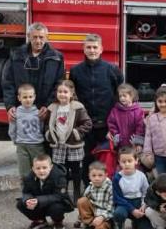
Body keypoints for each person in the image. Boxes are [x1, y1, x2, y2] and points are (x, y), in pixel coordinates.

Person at [69, 33, 123, 175]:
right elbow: (73, 96)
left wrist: (114, 123)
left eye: (95, 47)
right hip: (85, 124)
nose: (92, 50)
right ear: (84, 49)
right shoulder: (75, 71)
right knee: (87, 157)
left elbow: (119, 95)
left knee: (107, 157)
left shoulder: (112, 70)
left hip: (106, 125)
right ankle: (87, 184)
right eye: (89, 47)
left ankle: (107, 183)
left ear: (101, 49)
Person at [3, 22, 65, 122]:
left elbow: (59, 84)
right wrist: (10, 106)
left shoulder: (56, 58)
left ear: (47, 37)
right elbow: (8, 82)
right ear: (28, 37)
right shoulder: (16, 55)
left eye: (41, 37)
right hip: (21, 111)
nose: (38, 41)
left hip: (45, 112)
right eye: (35, 37)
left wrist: (48, 105)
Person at [44, 80, 92, 202]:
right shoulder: (52, 108)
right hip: (58, 145)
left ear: (71, 93)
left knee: (76, 170)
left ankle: (77, 192)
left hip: (73, 145)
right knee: (61, 171)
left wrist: (76, 133)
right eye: (60, 91)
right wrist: (49, 134)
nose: (62, 94)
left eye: (65, 92)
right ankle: (63, 194)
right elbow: (47, 124)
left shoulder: (77, 107)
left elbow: (87, 123)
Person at [15, 154, 74, 229]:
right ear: (33, 169)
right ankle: (39, 220)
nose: (41, 171)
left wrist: (38, 200)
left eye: (44, 168)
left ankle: (57, 221)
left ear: (51, 167)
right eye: (38, 168)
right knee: (21, 204)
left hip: (54, 203)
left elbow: (59, 196)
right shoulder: (29, 177)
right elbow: (26, 192)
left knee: (57, 207)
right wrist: (28, 200)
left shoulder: (59, 176)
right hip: (38, 203)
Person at [112, 147, 152, 229]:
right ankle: (119, 224)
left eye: (129, 161)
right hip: (124, 203)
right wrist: (132, 210)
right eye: (123, 162)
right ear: (119, 162)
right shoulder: (117, 178)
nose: (127, 164)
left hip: (138, 202)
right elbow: (117, 198)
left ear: (136, 161)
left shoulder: (141, 176)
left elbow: (146, 192)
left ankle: (136, 222)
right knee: (119, 213)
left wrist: (144, 205)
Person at [142, 85, 166, 176]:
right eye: (160, 101)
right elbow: (148, 136)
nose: (163, 104)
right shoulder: (152, 118)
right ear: (156, 102)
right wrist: (148, 153)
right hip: (158, 155)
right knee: (161, 178)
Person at [8, 83, 45, 179]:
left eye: (30, 97)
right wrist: (15, 140)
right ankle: (26, 188)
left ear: (34, 97)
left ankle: (39, 188)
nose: (28, 99)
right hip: (22, 146)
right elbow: (12, 129)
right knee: (24, 172)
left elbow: (41, 128)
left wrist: (40, 138)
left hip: (37, 145)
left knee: (39, 170)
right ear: (19, 98)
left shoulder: (38, 112)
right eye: (25, 97)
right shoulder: (16, 113)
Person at [77, 161, 114, 229]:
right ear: (89, 176)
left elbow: (112, 208)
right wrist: (80, 219)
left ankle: (108, 225)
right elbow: (84, 207)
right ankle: (89, 225)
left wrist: (102, 217)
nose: (97, 178)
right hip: (93, 214)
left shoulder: (110, 188)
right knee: (82, 201)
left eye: (100, 175)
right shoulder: (90, 187)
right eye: (93, 176)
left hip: (105, 216)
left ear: (106, 175)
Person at [107, 83, 145, 151]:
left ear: (131, 96)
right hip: (120, 143)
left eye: (124, 96)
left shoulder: (138, 111)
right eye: (120, 96)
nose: (122, 98)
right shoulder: (115, 110)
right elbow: (111, 123)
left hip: (133, 143)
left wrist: (138, 142)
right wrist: (116, 135)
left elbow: (140, 126)